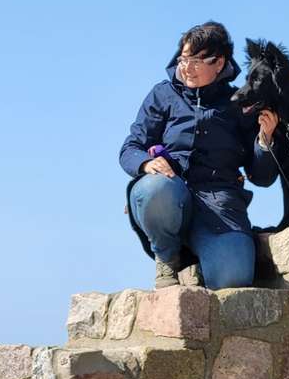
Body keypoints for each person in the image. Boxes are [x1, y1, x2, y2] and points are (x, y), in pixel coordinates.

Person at [119, 21, 279, 290]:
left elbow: (261, 177)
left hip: (220, 203)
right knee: (156, 189)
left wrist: (266, 139)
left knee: (234, 278)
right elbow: (130, 149)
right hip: (171, 191)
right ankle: (168, 257)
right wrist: (146, 164)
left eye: (196, 60)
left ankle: (204, 260)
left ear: (219, 63)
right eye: (183, 59)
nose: (186, 67)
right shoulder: (162, 94)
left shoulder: (241, 104)